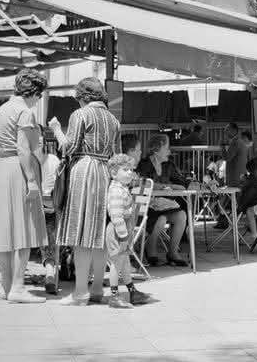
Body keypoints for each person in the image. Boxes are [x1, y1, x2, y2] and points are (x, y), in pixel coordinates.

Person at [0, 68, 48, 304]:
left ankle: (6, 286)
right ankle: (18, 287)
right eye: (39, 94)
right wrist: (32, 180)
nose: (39, 99)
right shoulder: (25, 112)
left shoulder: (2, 109)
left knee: (5, 230)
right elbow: (23, 148)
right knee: (23, 230)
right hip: (17, 169)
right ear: (34, 92)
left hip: (0, 169)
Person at [49, 77, 121, 305]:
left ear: (82, 96)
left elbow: (68, 147)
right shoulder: (113, 120)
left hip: (84, 171)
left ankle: (80, 292)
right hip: (105, 172)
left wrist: (56, 130)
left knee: (81, 233)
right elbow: (117, 156)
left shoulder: (80, 115)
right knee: (99, 234)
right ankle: (98, 288)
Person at [104, 153, 151, 308]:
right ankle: (114, 297)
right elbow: (116, 216)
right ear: (114, 173)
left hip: (123, 231)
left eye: (131, 169)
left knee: (124, 263)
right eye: (125, 169)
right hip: (118, 232)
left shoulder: (122, 188)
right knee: (117, 264)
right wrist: (123, 236)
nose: (130, 172)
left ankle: (132, 292)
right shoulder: (116, 191)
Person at [135, 133, 189, 267]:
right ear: (156, 149)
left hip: (165, 205)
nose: (169, 152)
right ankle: (151, 251)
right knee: (161, 219)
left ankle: (172, 253)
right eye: (166, 148)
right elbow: (144, 183)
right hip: (148, 206)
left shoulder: (168, 165)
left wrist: (169, 186)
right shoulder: (144, 164)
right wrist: (168, 186)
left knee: (181, 215)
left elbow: (182, 184)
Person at [36, 125, 62, 294]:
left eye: (40, 135)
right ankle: (50, 270)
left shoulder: (53, 160)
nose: (38, 138)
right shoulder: (22, 160)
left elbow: (60, 189)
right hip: (27, 213)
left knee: (49, 222)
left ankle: (50, 271)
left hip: (48, 209)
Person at [224, 122, 250, 187]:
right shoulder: (239, 142)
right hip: (239, 177)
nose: (225, 131)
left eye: (227, 129)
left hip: (235, 178)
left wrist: (222, 146)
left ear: (234, 131)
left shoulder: (235, 142)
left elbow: (227, 157)